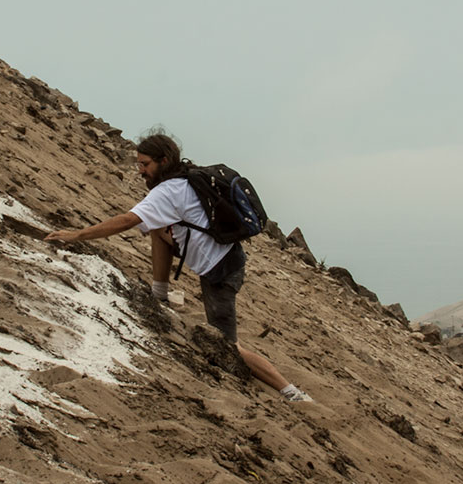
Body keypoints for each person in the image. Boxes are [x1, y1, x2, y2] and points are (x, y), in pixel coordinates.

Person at [44, 132, 311, 402]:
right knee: (156, 225)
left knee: (228, 346)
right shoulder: (185, 177)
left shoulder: (169, 191)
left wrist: (77, 235)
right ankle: (159, 292)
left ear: (164, 160)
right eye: (138, 164)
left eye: (145, 164)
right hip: (227, 258)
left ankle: (290, 392)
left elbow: (126, 220)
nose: (140, 171)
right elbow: (147, 222)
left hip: (220, 271)